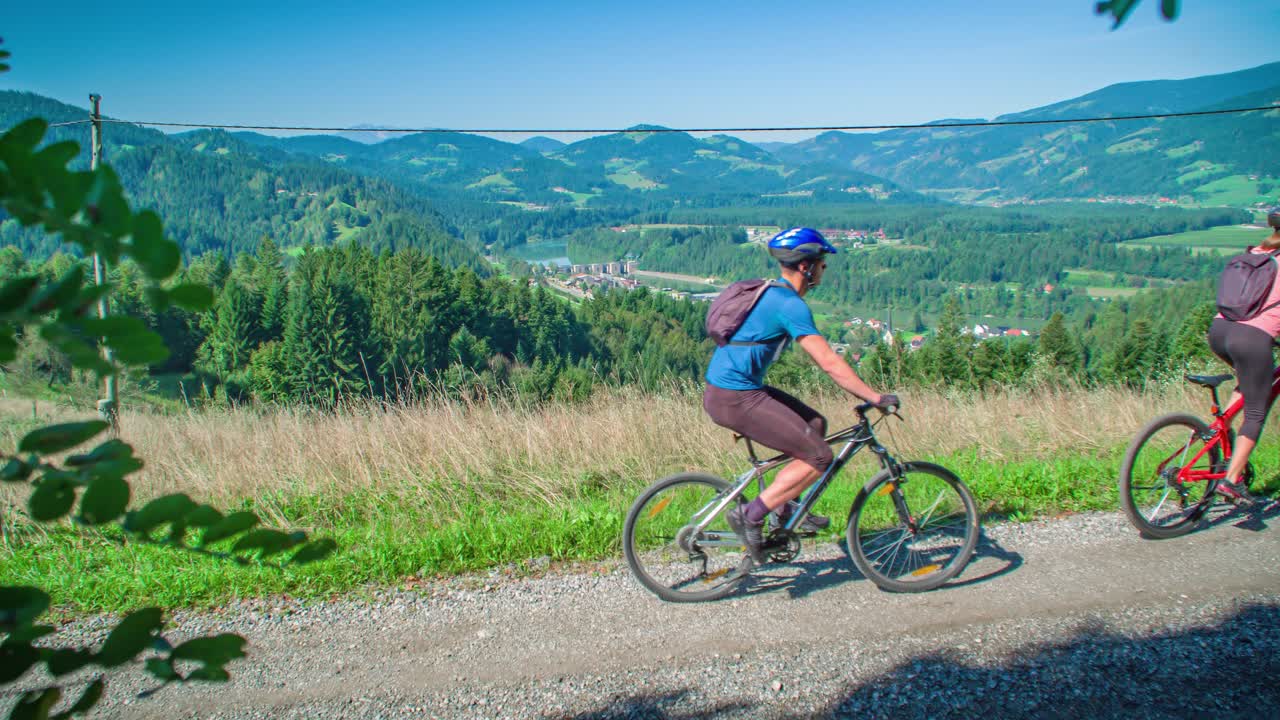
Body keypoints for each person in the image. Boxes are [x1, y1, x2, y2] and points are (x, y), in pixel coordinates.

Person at [703, 227, 897, 564]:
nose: (825, 268)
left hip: (732, 390)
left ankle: (785, 507)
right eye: (822, 262)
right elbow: (829, 362)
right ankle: (750, 514)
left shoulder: (772, 292)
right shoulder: (789, 304)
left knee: (815, 424)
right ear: (806, 266)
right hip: (735, 396)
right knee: (820, 457)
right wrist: (874, 396)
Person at [1207, 207, 1280, 505]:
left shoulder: (1256, 252)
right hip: (1251, 339)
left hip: (1220, 330)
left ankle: (1217, 433)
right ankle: (1230, 481)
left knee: (1250, 385)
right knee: (1256, 411)